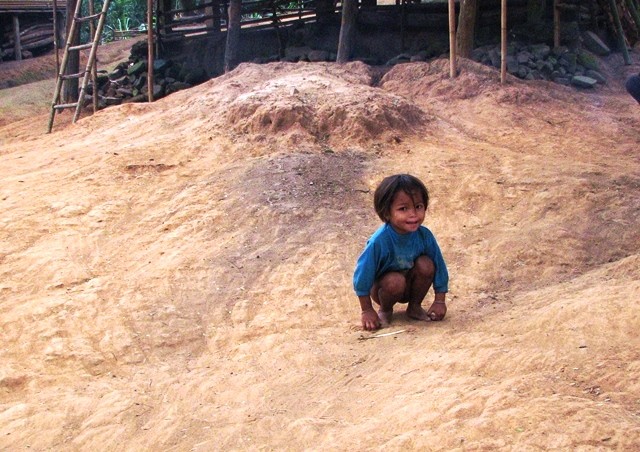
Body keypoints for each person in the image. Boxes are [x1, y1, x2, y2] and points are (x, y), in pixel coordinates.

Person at [353, 174, 449, 331]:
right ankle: (385, 310)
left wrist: (439, 301)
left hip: (411, 284)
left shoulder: (424, 236)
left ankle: (414, 306)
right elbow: (363, 274)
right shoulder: (379, 241)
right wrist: (366, 310)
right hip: (385, 289)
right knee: (395, 281)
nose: (413, 214)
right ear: (386, 213)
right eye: (403, 209)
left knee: (426, 264)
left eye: (418, 206)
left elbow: (439, 266)